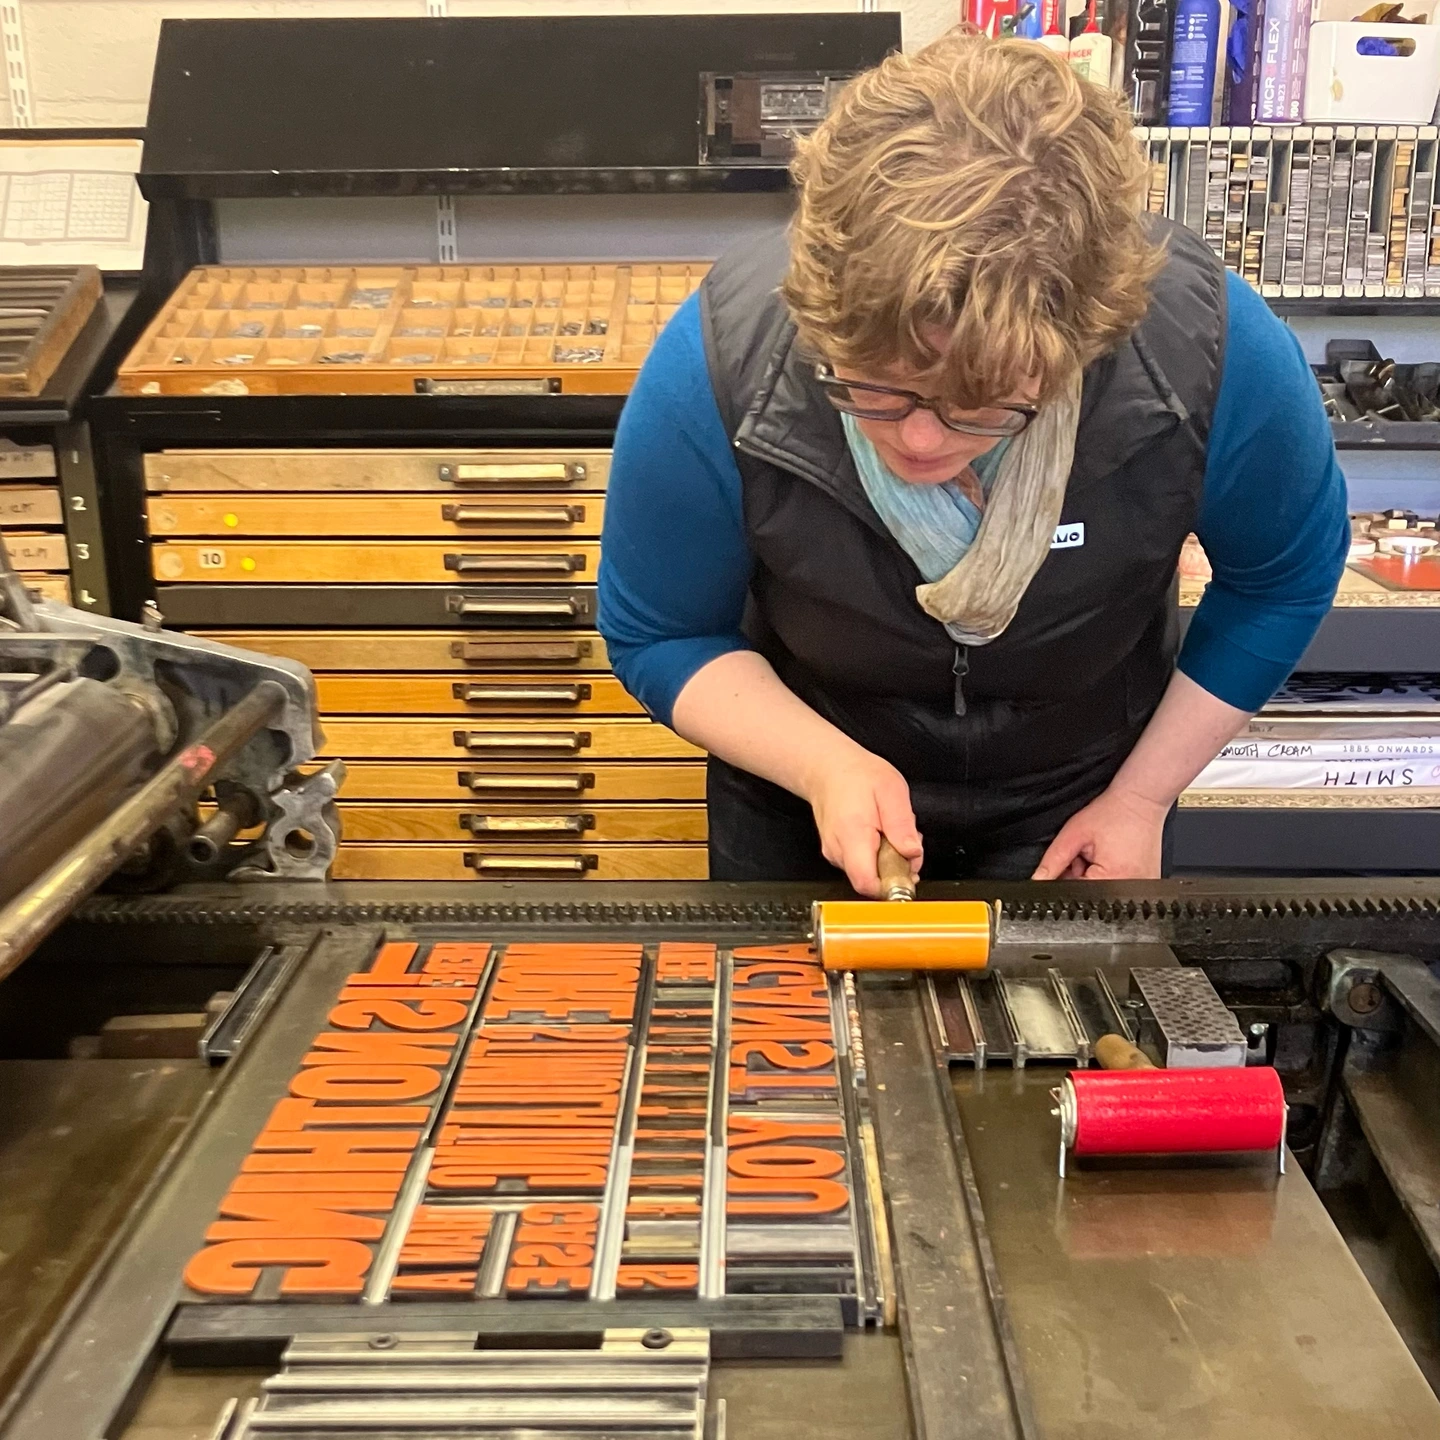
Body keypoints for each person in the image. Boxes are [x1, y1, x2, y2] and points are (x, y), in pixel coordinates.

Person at [597, 30, 1349, 897]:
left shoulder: (1206, 352)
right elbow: (663, 629)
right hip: (805, 788)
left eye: (984, 406)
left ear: (1085, 344)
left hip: (1084, 796)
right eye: (874, 391)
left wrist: (1141, 800)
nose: (919, 442)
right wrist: (823, 766)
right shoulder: (727, 357)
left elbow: (1280, 580)